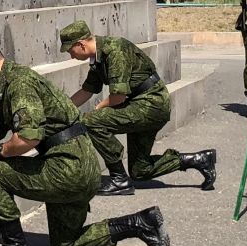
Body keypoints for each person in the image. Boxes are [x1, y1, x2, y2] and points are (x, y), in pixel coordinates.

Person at [0, 28, 170, 246]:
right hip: (78, 167)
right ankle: (140, 223)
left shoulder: (19, 84)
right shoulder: (13, 82)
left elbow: (28, 138)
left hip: (67, 169)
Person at [60, 20, 218, 195]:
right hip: (139, 104)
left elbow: (118, 97)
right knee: (140, 171)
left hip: (151, 104)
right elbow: (87, 91)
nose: (71, 56)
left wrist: (98, 108)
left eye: (70, 50)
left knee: (91, 121)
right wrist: (62, 109)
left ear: (80, 44)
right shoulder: (98, 57)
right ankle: (200, 160)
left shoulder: (114, 50)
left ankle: (119, 179)